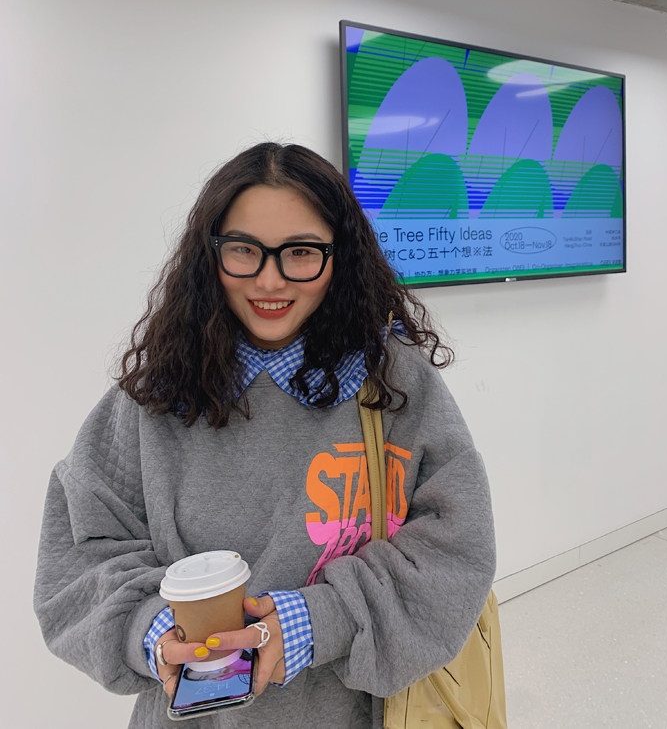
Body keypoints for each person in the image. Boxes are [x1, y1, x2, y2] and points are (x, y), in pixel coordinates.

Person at [35, 142, 496, 728]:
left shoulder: (393, 383)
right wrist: (155, 631)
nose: (270, 279)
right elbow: (78, 555)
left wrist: (317, 621)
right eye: (244, 250)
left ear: (340, 256)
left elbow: (456, 546)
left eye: (301, 252)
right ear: (210, 255)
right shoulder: (156, 395)